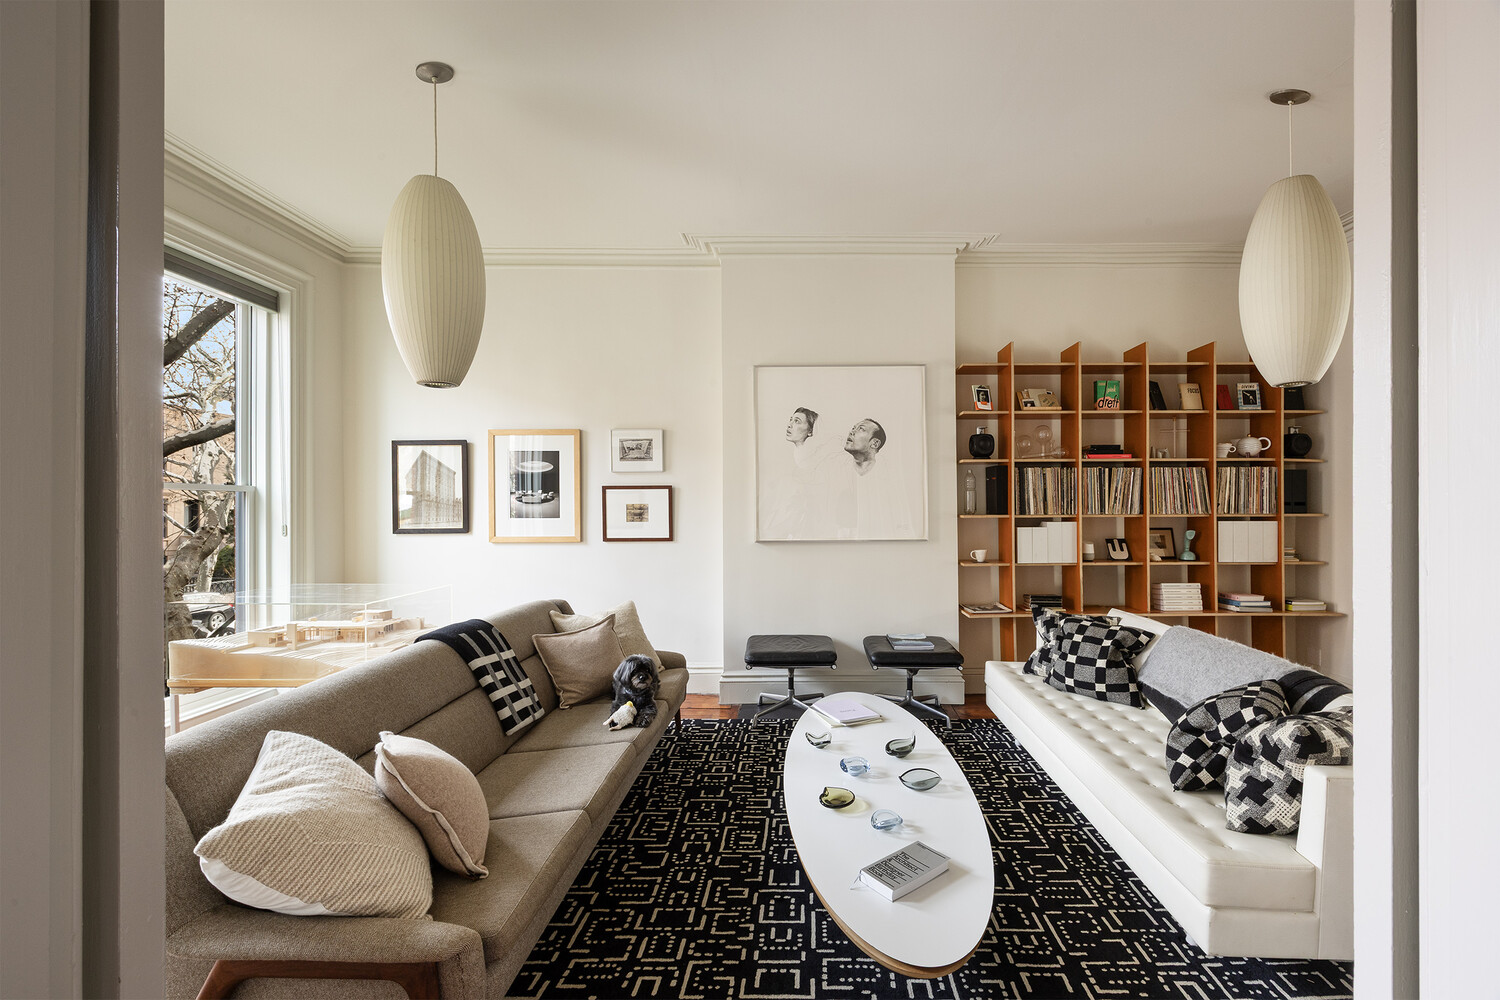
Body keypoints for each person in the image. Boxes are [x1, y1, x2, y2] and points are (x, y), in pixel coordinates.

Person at [843, 418, 913, 538]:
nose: (851, 432)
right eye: (853, 428)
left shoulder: (890, 478)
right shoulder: (838, 472)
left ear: (874, 443)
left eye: (861, 429)